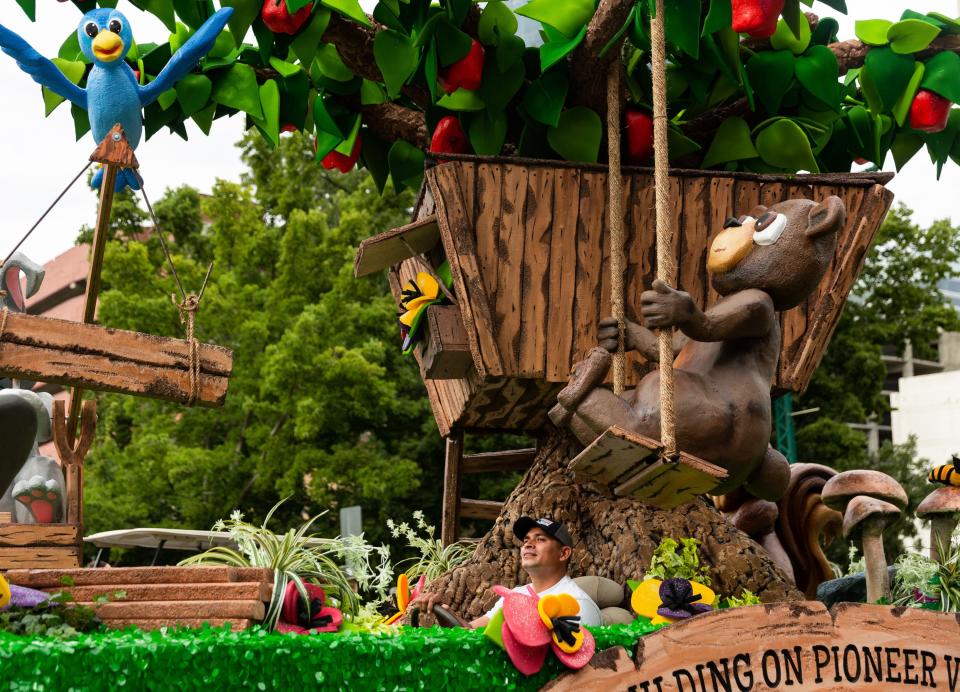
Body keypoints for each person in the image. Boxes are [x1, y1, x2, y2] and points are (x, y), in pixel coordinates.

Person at [413, 516, 602, 628]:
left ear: (563, 553)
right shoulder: (514, 595)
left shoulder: (576, 604)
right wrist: (443, 610)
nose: (528, 544)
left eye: (540, 539)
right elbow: (470, 631)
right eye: (526, 539)